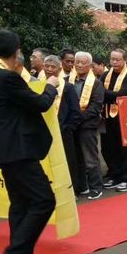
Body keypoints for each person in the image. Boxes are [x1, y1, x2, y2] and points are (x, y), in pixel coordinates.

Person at [0, 30, 58, 254]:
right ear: (16, 51)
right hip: (19, 150)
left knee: (21, 204)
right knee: (44, 201)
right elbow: (40, 103)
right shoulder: (5, 78)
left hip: (5, 150)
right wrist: (51, 88)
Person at [42, 55, 82, 196]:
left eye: (53, 67)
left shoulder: (67, 87)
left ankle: (72, 191)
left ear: (60, 69)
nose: (49, 69)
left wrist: (67, 128)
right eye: (47, 66)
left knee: (68, 161)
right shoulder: (39, 84)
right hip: (43, 132)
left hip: (63, 131)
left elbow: (76, 112)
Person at [100, 48, 127, 192]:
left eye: (117, 59)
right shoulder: (105, 75)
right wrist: (107, 94)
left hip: (123, 118)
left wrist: (104, 93)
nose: (114, 62)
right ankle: (115, 176)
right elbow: (102, 94)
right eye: (112, 59)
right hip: (107, 117)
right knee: (109, 149)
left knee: (125, 149)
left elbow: (120, 96)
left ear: (125, 60)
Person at [72, 51, 105, 200]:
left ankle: (96, 187)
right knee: (77, 157)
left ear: (90, 65)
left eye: (83, 62)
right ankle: (82, 186)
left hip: (87, 125)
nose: (79, 65)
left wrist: (79, 118)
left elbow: (96, 106)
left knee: (90, 157)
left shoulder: (96, 83)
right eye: (77, 62)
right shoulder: (69, 80)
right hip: (72, 125)